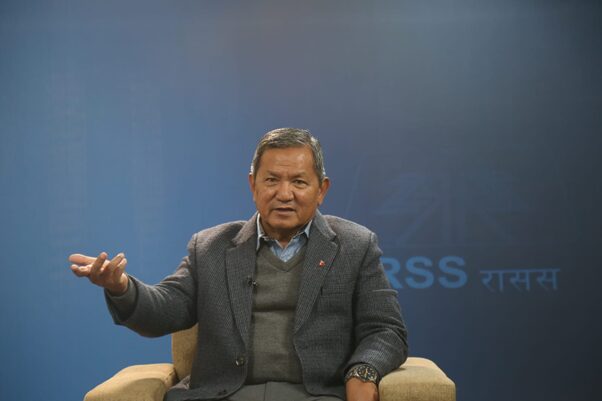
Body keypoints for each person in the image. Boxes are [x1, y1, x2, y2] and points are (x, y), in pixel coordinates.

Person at [69, 128, 408, 401]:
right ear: (252, 185)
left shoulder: (354, 245)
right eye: (271, 180)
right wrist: (121, 287)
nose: (284, 193)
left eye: (299, 182)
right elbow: (166, 310)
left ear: (321, 190)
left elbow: (386, 330)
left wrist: (363, 372)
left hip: (315, 395)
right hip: (223, 394)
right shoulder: (211, 247)